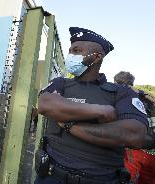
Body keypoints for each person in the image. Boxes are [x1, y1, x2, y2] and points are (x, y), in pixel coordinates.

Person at [35, 27, 149, 184]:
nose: (70, 56)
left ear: (96, 57)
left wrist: (70, 125)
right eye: (70, 51)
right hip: (52, 176)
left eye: (76, 51)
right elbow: (45, 104)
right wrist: (101, 111)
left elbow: (135, 135)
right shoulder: (61, 83)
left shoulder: (121, 93)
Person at [114, 71, 155, 184]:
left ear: (116, 83)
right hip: (152, 152)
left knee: (126, 179)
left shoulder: (119, 97)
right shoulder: (145, 97)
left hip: (134, 151)